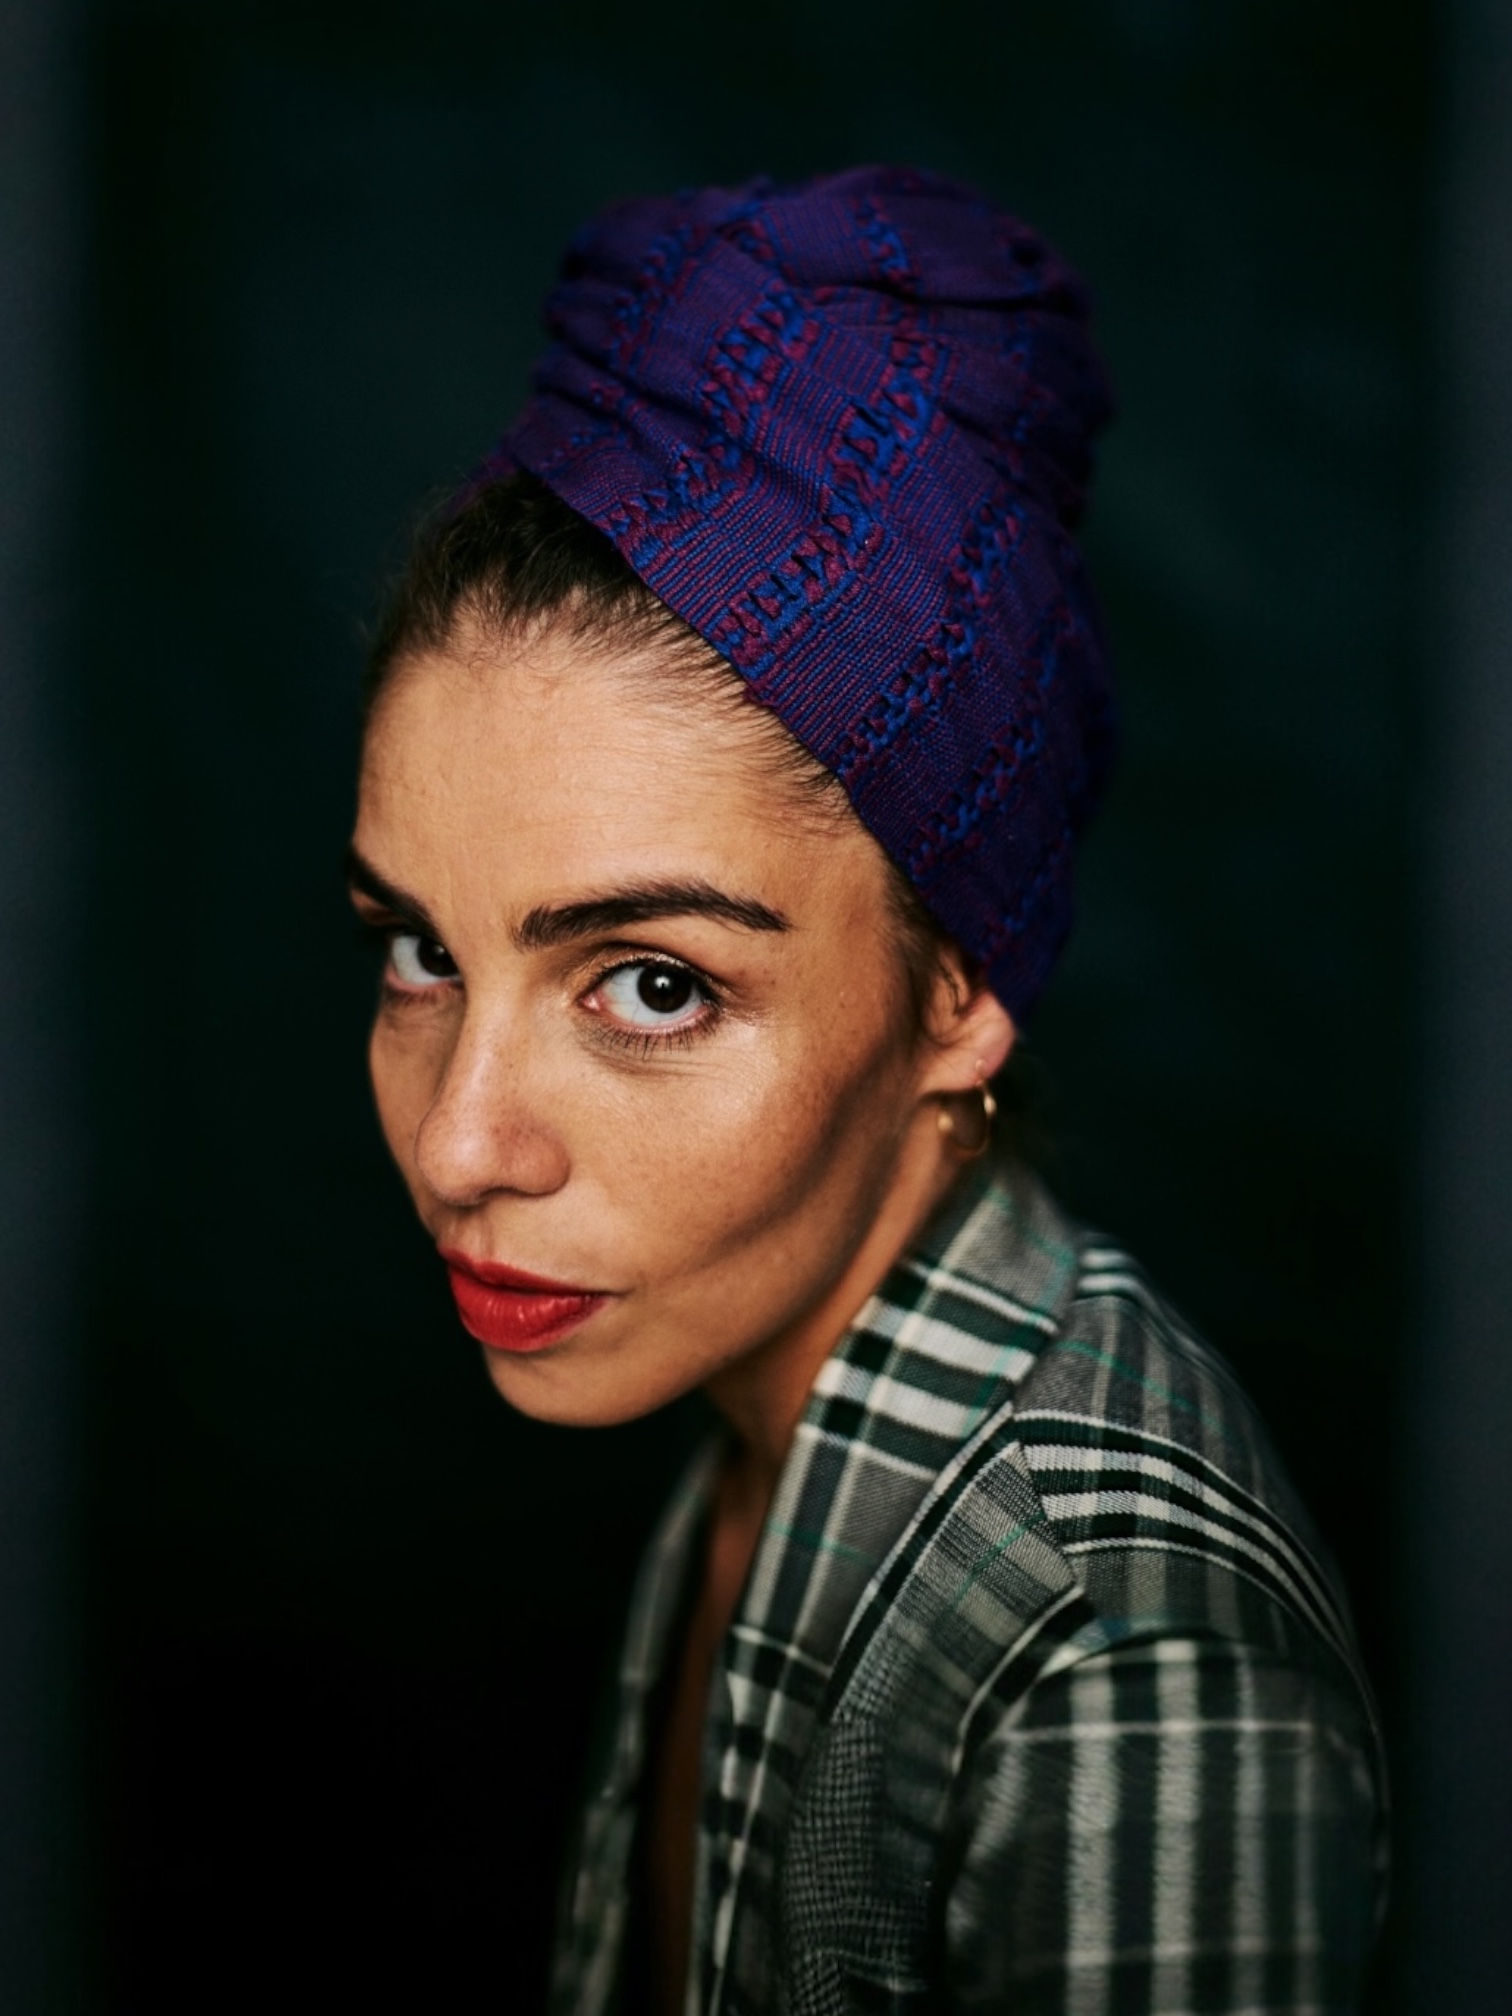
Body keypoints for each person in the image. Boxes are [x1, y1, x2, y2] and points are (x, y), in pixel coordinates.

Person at [348, 168, 1386, 2014]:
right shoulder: (763, 1426)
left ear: (961, 987)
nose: (459, 1141)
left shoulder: (1123, 1682)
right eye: (424, 951)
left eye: (652, 985)